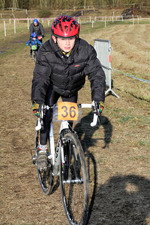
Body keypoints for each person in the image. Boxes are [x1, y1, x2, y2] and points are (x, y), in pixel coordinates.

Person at [31, 15, 106, 171]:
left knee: (68, 121)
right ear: (54, 38)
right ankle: (43, 149)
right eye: (62, 38)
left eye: (71, 38)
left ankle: (65, 148)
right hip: (52, 86)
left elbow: (97, 75)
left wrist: (98, 99)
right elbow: (40, 78)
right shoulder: (45, 51)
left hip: (72, 88)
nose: (67, 43)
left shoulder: (85, 50)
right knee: (46, 113)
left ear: (76, 37)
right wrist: (38, 102)